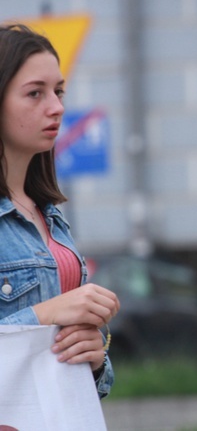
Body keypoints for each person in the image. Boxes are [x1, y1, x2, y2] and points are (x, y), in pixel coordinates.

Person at [0, 24, 120, 398]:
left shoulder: (47, 212)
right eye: (35, 93)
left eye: (59, 91)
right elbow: (50, 315)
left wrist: (96, 359)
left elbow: (85, 368)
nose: (57, 107)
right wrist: (46, 315)